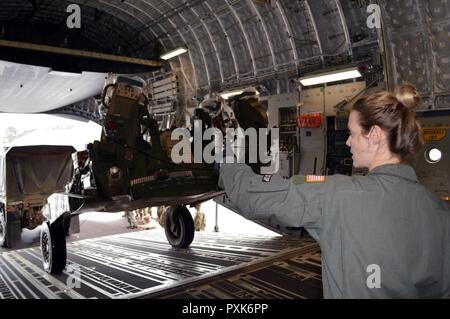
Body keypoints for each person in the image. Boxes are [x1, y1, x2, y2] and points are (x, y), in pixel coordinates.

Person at [218, 84, 450, 299]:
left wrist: (224, 157)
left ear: (375, 135)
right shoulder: (438, 210)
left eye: (352, 133)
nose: (348, 142)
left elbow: (251, 195)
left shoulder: (338, 194)